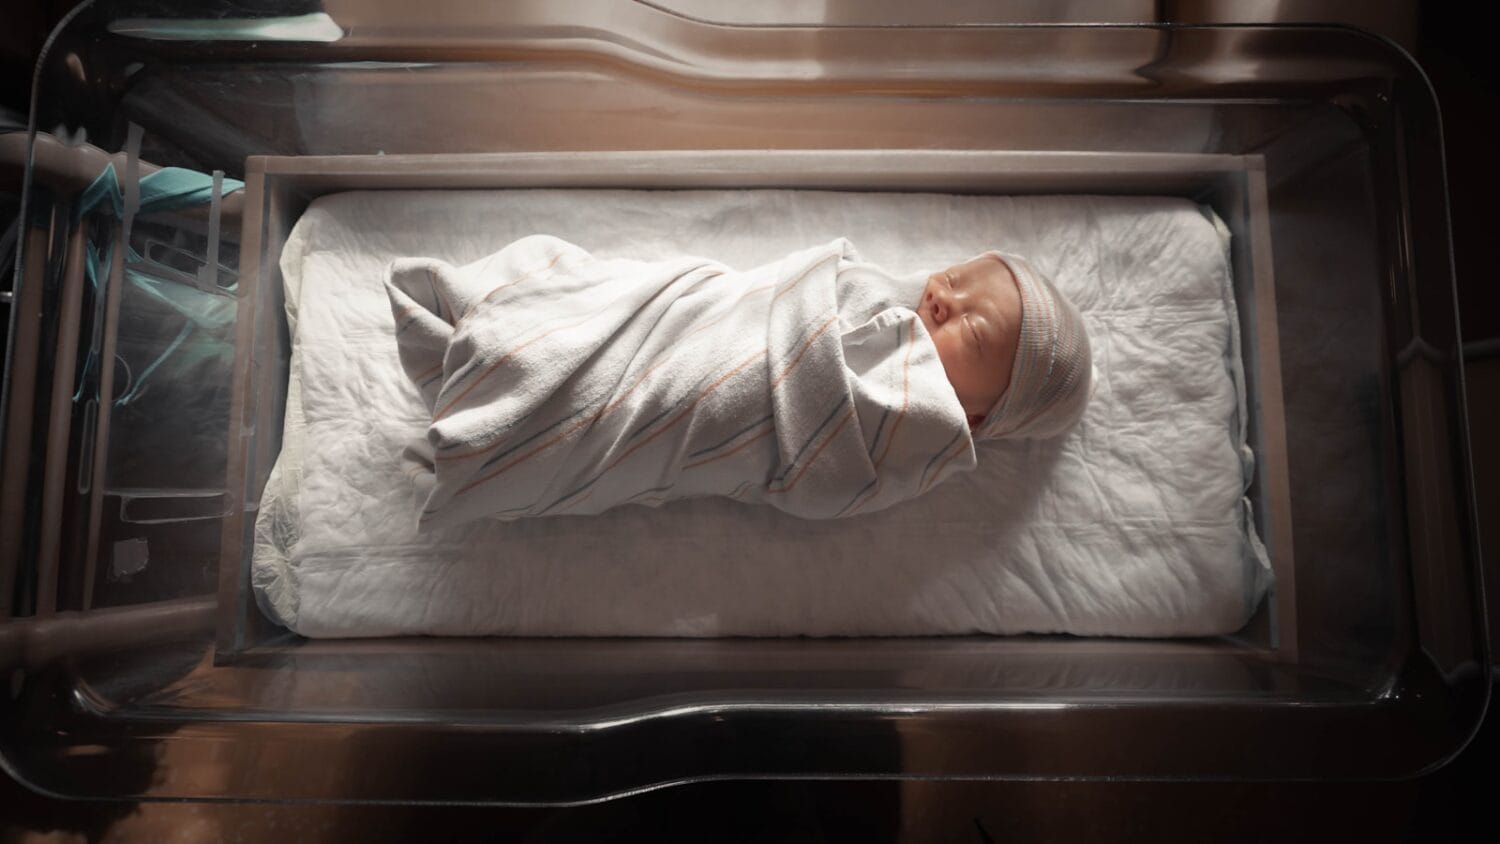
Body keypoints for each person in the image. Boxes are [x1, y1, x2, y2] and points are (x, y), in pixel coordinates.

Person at [386, 237, 1092, 528]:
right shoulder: (877, 295)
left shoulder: (914, 437)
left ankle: (503, 417)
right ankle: (507, 351)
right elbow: (777, 295)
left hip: (714, 406)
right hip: (699, 316)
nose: (945, 298)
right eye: (960, 278)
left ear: (979, 417)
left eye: (974, 331)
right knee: (584, 294)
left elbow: (822, 475)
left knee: (632, 406)